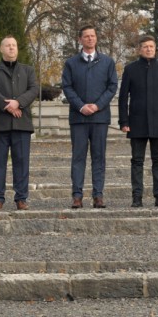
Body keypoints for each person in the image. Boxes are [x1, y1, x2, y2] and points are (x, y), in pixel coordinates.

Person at [118, 35, 158, 207]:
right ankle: (137, 196)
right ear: (139, 49)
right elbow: (123, 98)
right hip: (136, 122)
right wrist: (124, 121)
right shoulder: (130, 69)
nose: (148, 49)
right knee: (137, 161)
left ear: (155, 49)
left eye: (151, 46)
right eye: (145, 46)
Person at [62, 25, 118, 209]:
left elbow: (112, 87)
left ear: (96, 38)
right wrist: (81, 106)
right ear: (80, 40)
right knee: (78, 157)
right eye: (86, 36)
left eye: (93, 36)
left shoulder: (107, 62)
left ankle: (98, 195)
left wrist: (97, 105)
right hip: (78, 119)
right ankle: (77, 196)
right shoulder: (71, 63)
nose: (90, 39)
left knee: (99, 157)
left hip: (99, 118)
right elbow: (67, 87)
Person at [0, 36, 38, 211]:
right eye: (7, 45)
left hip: (21, 125)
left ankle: (21, 198)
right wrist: (8, 106)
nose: (11, 48)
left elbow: (33, 90)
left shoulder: (27, 70)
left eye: (14, 45)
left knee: (22, 162)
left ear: (17, 49)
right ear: (1, 49)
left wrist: (18, 103)